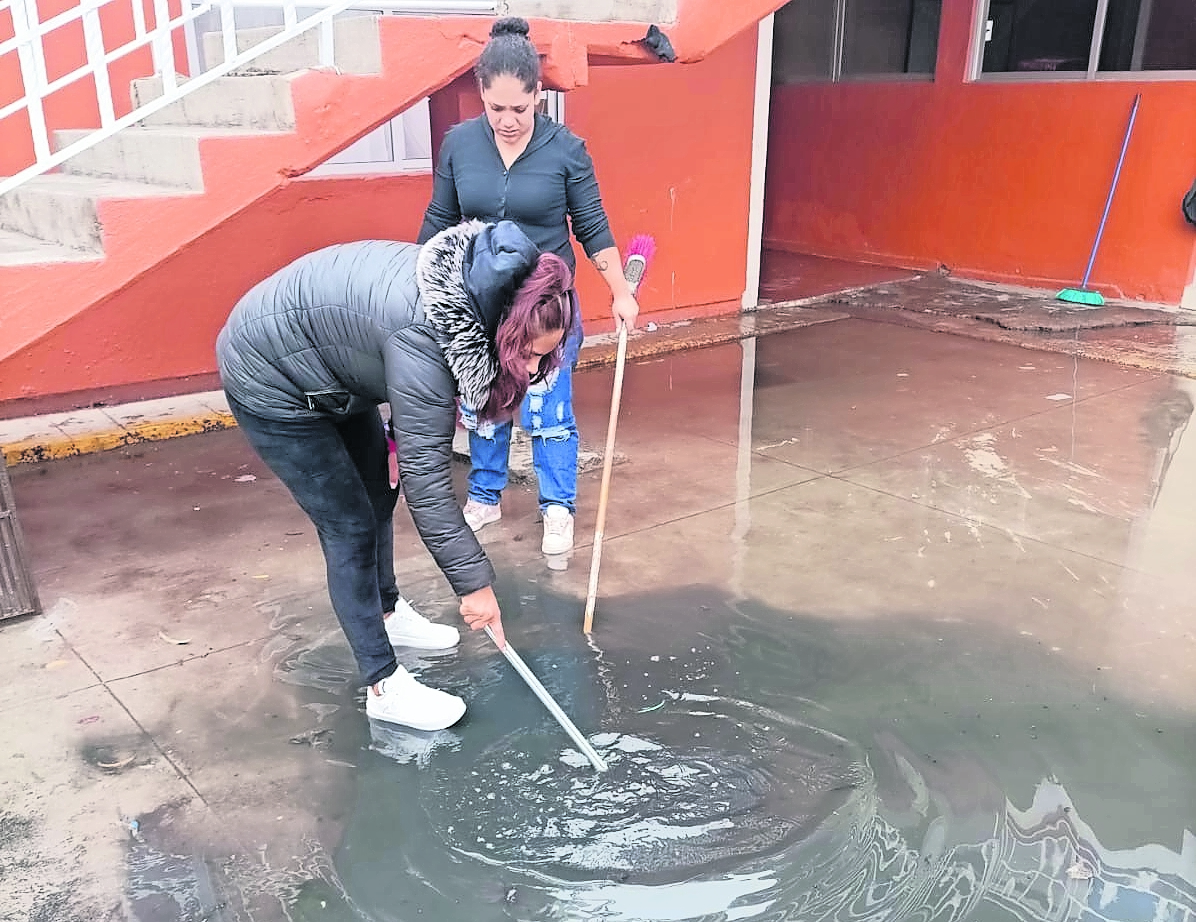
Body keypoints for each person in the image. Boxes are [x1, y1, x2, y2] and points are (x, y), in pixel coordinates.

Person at [216, 219, 575, 731]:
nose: (536, 368)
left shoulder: (470, 290)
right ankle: (384, 684)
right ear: (503, 327)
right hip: (271, 377)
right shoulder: (425, 337)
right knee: (349, 527)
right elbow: (429, 486)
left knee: (379, 493)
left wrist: (391, 434)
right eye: (530, 354)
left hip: (333, 367)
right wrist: (474, 585)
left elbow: (373, 350)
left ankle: (387, 611)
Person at [418, 16, 641, 556]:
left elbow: (592, 226)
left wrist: (620, 290)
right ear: (482, 97)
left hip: (545, 312)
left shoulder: (566, 150)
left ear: (538, 95)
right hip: (481, 303)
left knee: (548, 411)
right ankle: (485, 496)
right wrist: (415, 279)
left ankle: (557, 507)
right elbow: (439, 220)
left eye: (520, 108)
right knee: (484, 405)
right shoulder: (460, 145)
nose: (509, 120)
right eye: (497, 109)